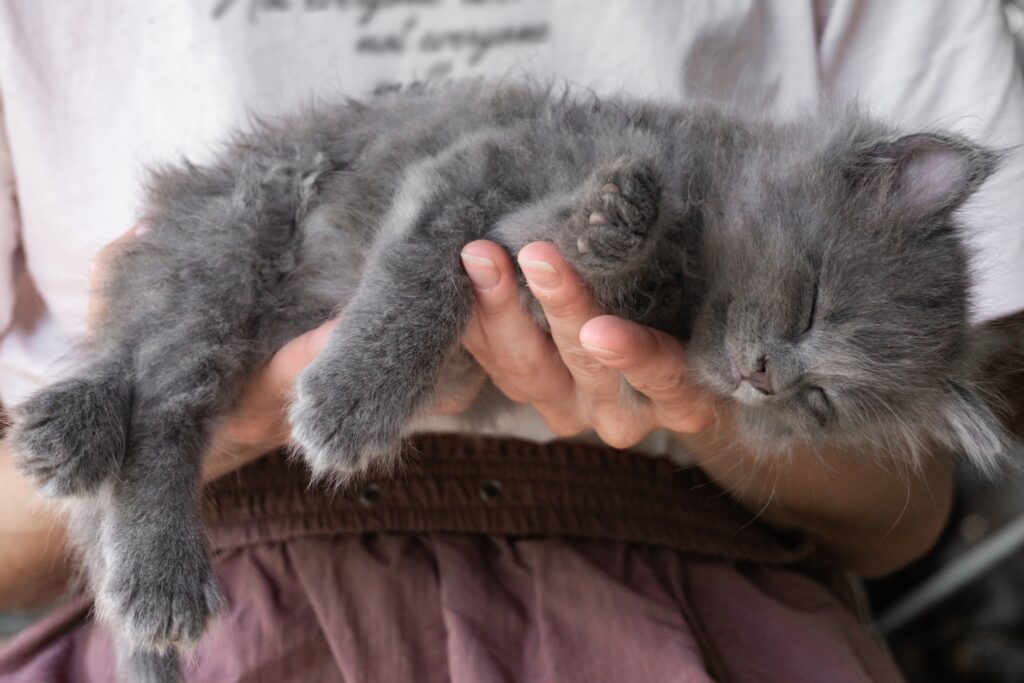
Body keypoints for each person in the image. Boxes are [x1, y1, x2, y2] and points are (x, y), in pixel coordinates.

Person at [1, 1, 1022, 681]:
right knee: (205, 264)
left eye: (816, 397)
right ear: (851, 174)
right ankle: (141, 436)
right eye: (800, 316)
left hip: (677, 597)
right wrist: (225, 428)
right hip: (254, 585)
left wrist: (699, 413)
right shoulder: (696, 164)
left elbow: (899, 514)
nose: (770, 372)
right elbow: (486, 187)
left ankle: (126, 417)